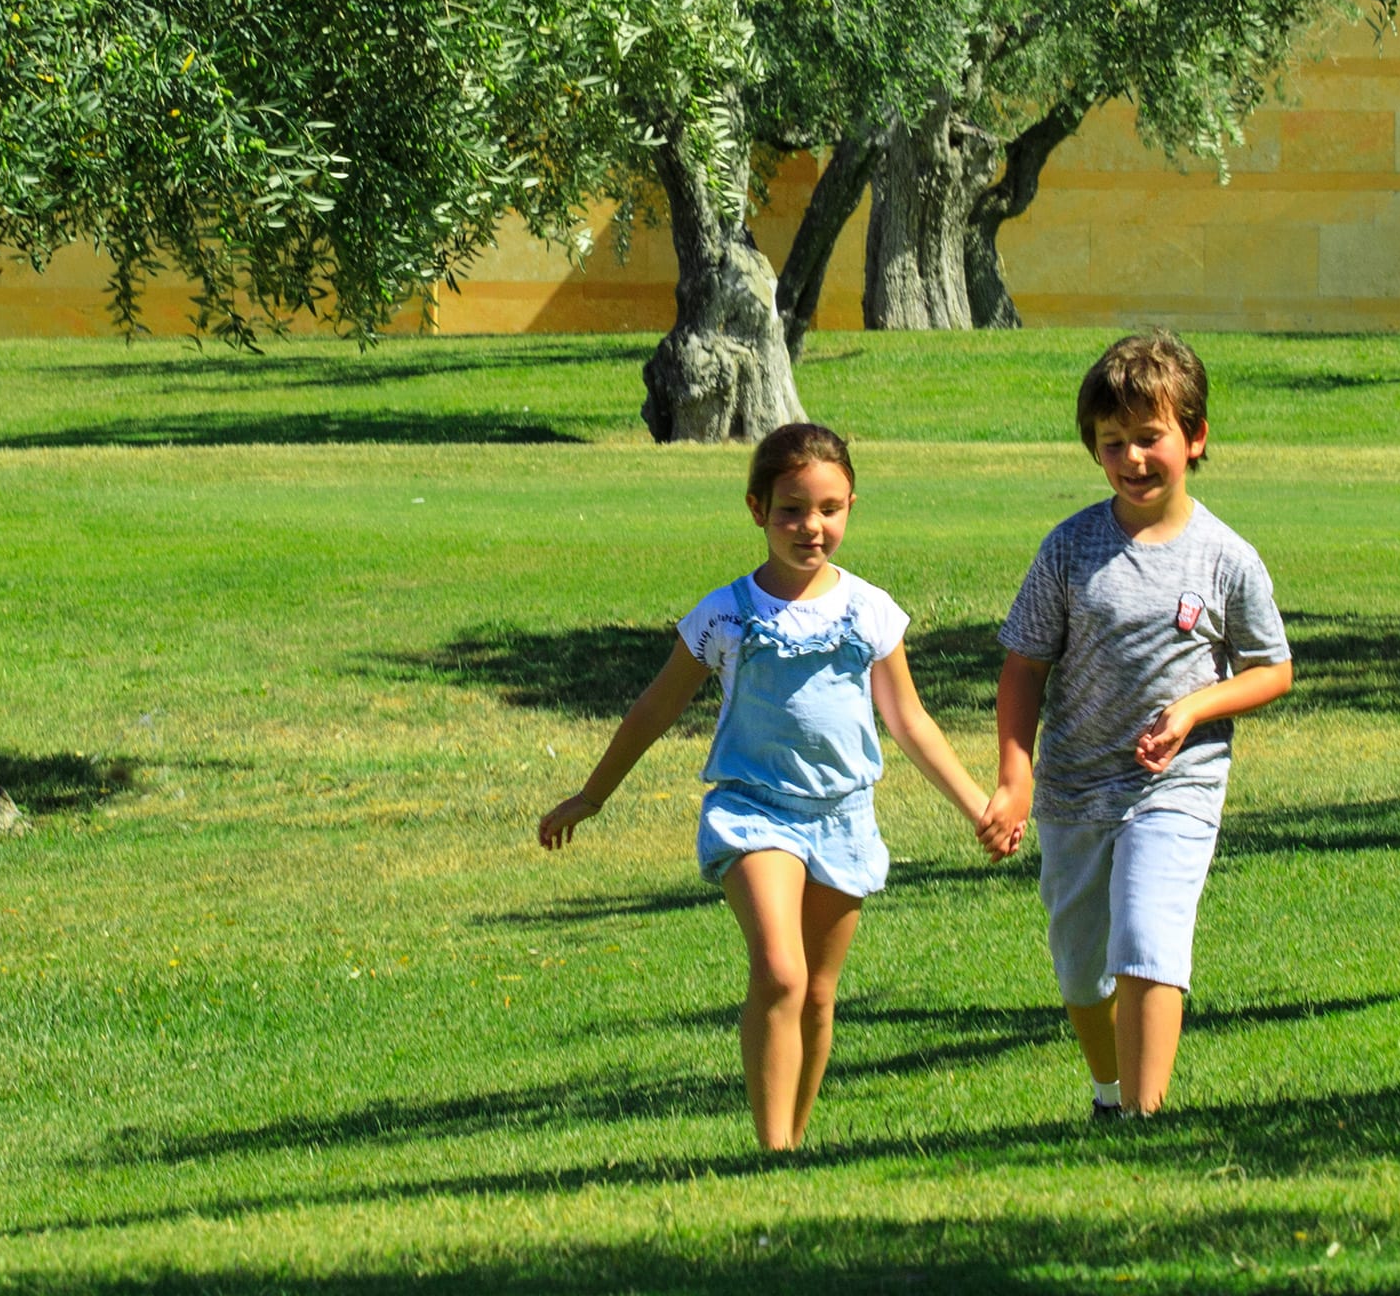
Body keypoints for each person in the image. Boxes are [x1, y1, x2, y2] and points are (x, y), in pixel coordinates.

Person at [540, 421, 1010, 1151]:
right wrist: (591, 794)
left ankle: (792, 1143)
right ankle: (772, 1147)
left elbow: (910, 722)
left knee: (819, 995)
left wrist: (980, 805)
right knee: (782, 973)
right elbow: (657, 706)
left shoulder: (869, 612)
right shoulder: (727, 613)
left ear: (851, 505)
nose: (810, 526)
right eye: (791, 509)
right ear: (757, 509)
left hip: (843, 816)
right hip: (753, 811)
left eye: (828, 508)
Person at [984, 328, 1293, 1121]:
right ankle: (1110, 1094)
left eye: (1149, 437)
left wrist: (1194, 708)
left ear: (1194, 438)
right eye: (1112, 442)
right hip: (1074, 787)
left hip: (1175, 785)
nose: (1132, 458)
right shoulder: (1071, 549)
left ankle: (1143, 1123)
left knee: (1149, 943)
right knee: (1084, 971)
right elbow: (1023, 665)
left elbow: (1273, 668)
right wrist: (1015, 779)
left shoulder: (1227, 558)